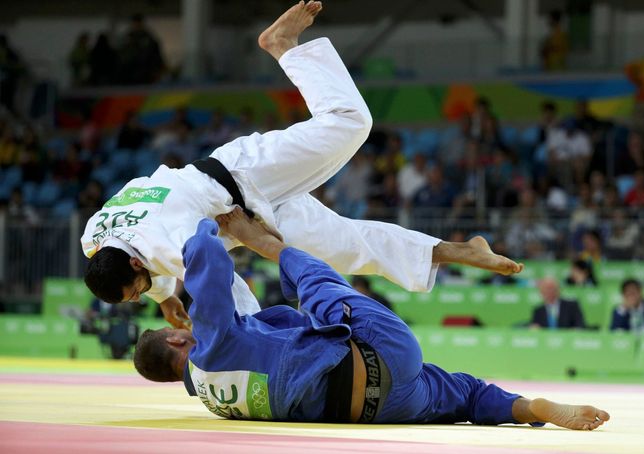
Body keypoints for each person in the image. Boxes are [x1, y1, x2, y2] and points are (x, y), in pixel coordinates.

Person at [82, 1, 523, 330]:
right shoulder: (95, 240)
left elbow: (225, 267)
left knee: (350, 122)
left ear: (136, 266)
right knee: (351, 245)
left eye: (136, 291)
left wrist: (256, 321)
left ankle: (283, 47)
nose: (138, 296)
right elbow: (155, 259)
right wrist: (163, 298)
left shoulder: (167, 247)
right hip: (245, 209)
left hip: (241, 175)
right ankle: (462, 250)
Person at [133, 210, 610, 430]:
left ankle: (527, 408)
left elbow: (251, 319)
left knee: (461, 394)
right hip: (377, 354)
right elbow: (205, 259)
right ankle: (265, 242)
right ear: (178, 340)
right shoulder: (209, 342)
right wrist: (204, 221)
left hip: (378, 410)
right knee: (319, 288)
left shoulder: (217, 400)